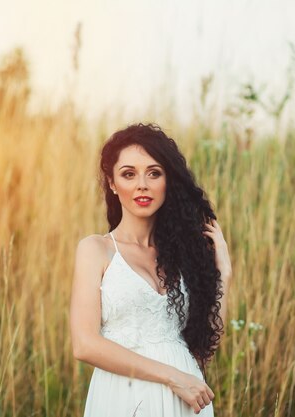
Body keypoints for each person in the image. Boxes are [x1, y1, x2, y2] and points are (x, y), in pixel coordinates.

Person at [69, 123, 232, 416]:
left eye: (154, 173)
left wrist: (223, 274)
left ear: (167, 181)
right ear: (112, 183)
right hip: (123, 396)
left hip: (185, 402)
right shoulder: (96, 250)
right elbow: (84, 344)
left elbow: (204, 345)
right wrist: (173, 377)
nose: (142, 184)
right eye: (129, 174)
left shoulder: (184, 256)